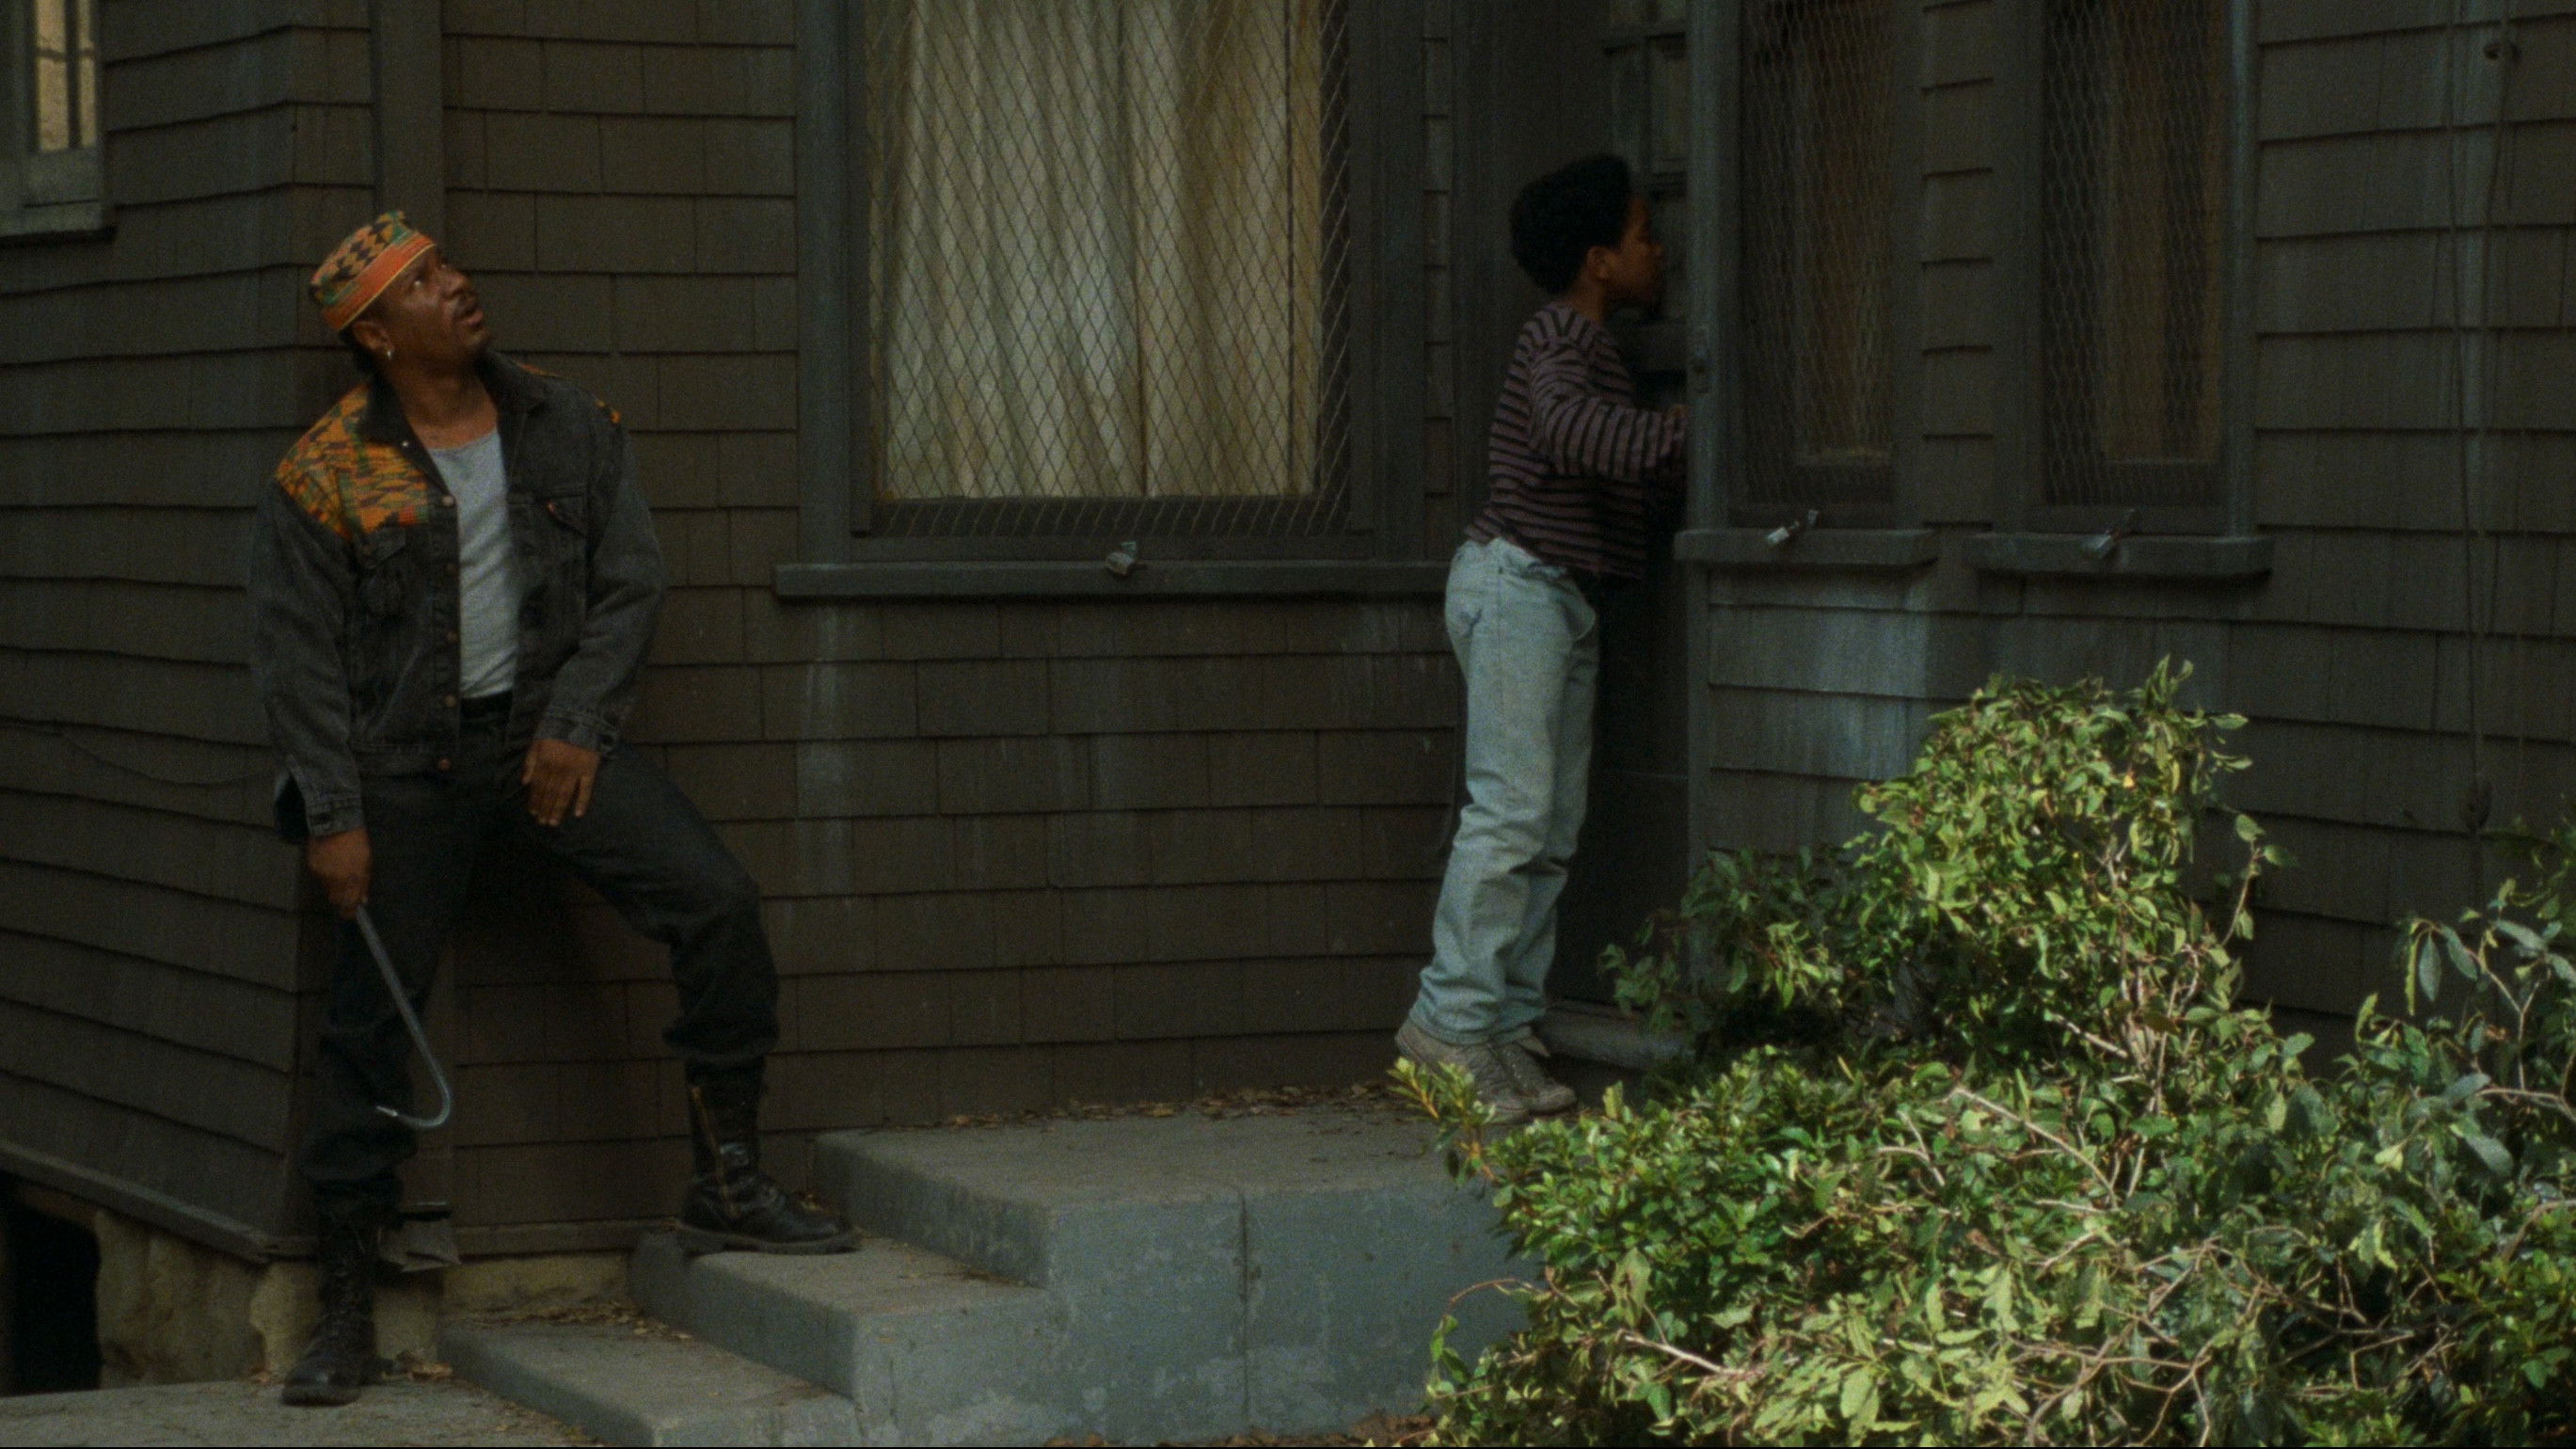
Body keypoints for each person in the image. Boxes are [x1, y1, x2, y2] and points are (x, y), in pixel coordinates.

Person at [247, 213, 854, 1408]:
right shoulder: (325, 474)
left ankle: (728, 1180)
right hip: (403, 768)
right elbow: (297, 661)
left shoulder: (569, 425)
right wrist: (333, 816)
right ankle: (346, 1307)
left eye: (446, 264)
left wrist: (578, 725)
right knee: (368, 1023)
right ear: (377, 334)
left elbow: (632, 583)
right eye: (422, 282)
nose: (456, 284)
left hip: (546, 741)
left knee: (718, 903)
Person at [1396, 155, 1685, 1122]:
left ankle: (1504, 1027)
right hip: (1517, 584)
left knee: (1548, 829)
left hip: (1560, 596)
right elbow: (1568, 431)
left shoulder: (1588, 346)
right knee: (1511, 814)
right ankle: (1448, 1025)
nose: (1659, 251)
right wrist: (1683, 435)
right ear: (1599, 260)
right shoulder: (1559, 337)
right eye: (1643, 236)